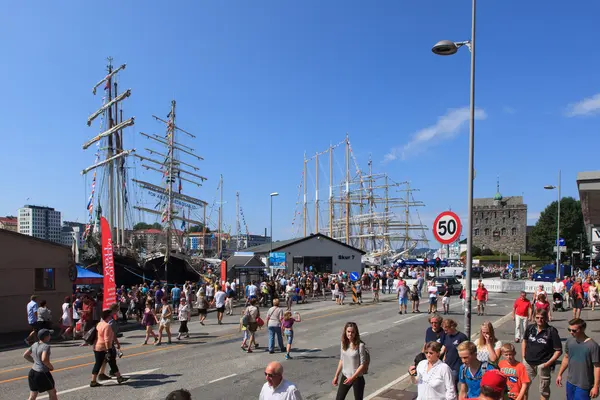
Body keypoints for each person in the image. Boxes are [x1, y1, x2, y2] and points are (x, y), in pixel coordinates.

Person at [522, 309, 562, 400]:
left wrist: (547, 364)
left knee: (544, 390)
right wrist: (524, 356)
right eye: (537, 317)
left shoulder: (551, 331)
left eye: (542, 318)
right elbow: (524, 341)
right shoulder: (530, 328)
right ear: (534, 318)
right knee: (524, 387)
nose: (540, 320)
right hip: (528, 362)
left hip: (543, 364)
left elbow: (558, 351)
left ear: (546, 318)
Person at [556, 318, 600, 400]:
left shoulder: (592, 346)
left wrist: (596, 386)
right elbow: (566, 358)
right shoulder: (570, 341)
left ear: (583, 329)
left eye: (574, 330)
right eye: (569, 329)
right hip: (570, 382)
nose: (571, 332)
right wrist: (559, 374)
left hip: (584, 385)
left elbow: (597, 367)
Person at [90, 309, 129, 387]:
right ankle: (119, 378)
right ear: (108, 317)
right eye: (111, 315)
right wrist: (108, 350)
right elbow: (107, 340)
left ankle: (94, 381)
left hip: (97, 346)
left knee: (105, 363)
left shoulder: (99, 324)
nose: (112, 317)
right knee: (110, 362)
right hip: (104, 348)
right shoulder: (107, 326)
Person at [332, 322, 368, 400]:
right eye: (348, 331)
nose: (350, 334)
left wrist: (352, 378)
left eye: (352, 332)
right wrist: (336, 376)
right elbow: (341, 360)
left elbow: (362, 364)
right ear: (345, 332)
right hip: (345, 376)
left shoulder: (360, 346)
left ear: (356, 333)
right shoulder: (343, 343)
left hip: (357, 378)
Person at [23, 329, 58, 400]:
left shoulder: (34, 344)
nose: (50, 336)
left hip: (32, 372)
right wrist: (51, 367)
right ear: (46, 337)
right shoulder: (46, 346)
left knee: (33, 395)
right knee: (52, 393)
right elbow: (44, 359)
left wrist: (35, 362)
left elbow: (25, 355)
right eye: (49, 335)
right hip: (42, 373)